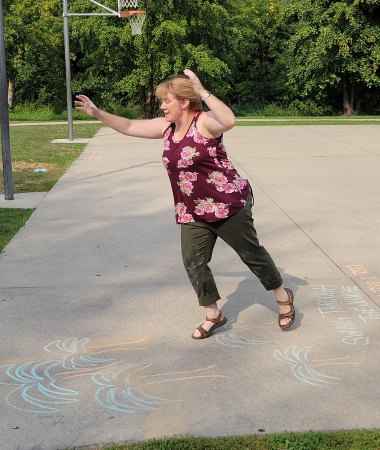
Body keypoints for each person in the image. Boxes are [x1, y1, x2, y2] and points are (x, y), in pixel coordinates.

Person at [75, 69, 295, 339]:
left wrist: (203, 92)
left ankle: (283, 295)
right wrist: (97, 113)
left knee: (252, 255)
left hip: (227, 204)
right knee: (193, 261)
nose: (162, 106)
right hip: (192, 210)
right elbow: (130, 126)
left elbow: (229, 120)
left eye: (167, 101)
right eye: (162, 102)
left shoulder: (205, 123)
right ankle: (213, 314)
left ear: (184, 102)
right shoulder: (166, 128)